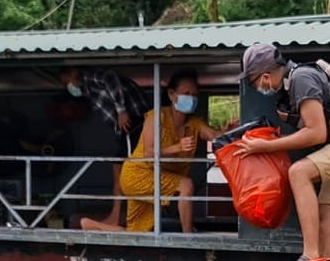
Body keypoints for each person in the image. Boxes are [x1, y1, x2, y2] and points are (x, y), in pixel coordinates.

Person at [232, 43, 330, 261]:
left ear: (265, 76)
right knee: (325, 221)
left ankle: (309, 255)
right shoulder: (294, 82)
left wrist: (266, 146)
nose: (255, 87)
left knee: (298, 172)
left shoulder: (301, 79)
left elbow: (316, 133)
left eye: (253, 82)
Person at [83, 69, 226, 234]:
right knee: (186, 185)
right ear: (172, 95)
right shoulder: (156, 117)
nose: (192, 98)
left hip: (156, 177)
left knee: (137, 232)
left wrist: (225, 132)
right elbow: (149, 153)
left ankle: (90, 225)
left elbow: (213, 135)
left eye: (195, 94)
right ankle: (188, 237)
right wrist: (177, 147)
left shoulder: (194, 124)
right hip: (138, 174)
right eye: (186, 93)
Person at [57, 67, 148, 227]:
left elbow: (110, 77)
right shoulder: (88, 90)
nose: (68, 87)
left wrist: (121, 110)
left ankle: (132, 218)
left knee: (127, 173)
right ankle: (115, 216)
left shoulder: (91, 76)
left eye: (67, 83)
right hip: (126, 129)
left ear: (72, 74)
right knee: (118, 173)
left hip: (134, 123)